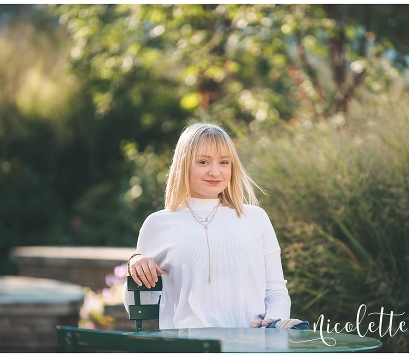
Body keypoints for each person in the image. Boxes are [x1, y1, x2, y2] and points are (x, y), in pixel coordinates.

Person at [124, 123, 291, 329]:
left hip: (251, 346)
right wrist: (137, 268)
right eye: (203, 161)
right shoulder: (157, 224)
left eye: (224, 162)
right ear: (184, 164)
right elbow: (139, 304)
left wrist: (273, 324)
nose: (215, 172)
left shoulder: (256, 218)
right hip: (187, 348)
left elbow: (275, 291)